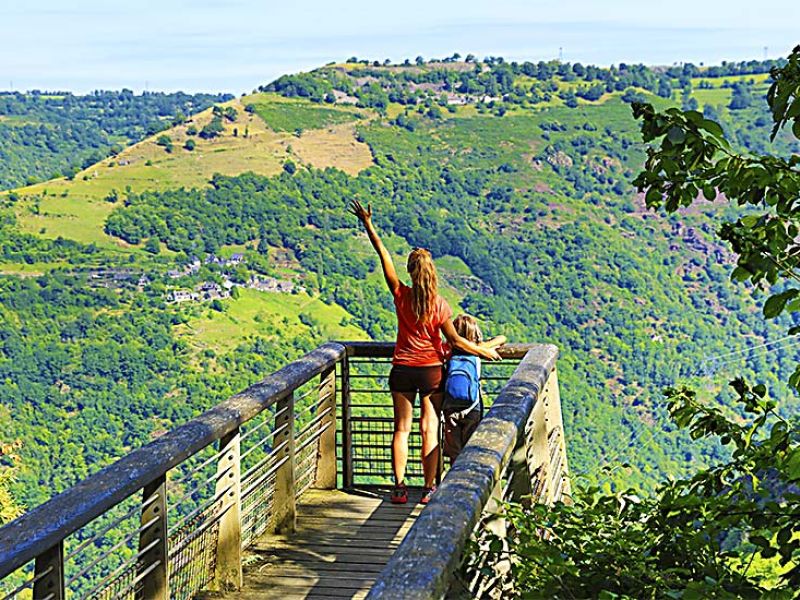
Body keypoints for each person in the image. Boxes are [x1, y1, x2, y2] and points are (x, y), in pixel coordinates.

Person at [349, 200, 502, 505]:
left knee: (401, 429)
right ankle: (429, 488)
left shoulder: (400, 294)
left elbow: (383, 255)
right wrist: (483, 352)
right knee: (428, 428)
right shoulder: (440, 305)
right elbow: (456, 341)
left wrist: (368, 224)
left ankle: (400, 487)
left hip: (402, 369)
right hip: (431, 370)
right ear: (432, 274)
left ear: (410, 272)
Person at [442, 315, 507, 464]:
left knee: (454, 451)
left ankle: (453, 479)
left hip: (450, 405)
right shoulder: (478, 350)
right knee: (470, 447)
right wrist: (479, 346)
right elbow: (502, 338)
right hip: (473, 405)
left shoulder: (448, 351)